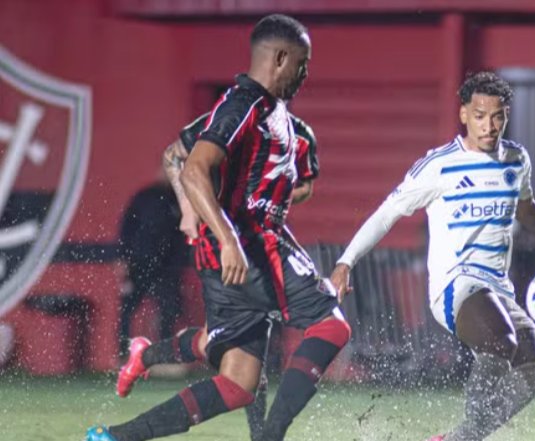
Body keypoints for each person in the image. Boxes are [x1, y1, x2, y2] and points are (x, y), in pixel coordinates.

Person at [86, 14, 350, 441]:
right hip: (244, 244)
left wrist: (270, 201)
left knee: (237, 383)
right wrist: (207, 222)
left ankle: (114, 436)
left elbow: (300, 187)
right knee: (331, 323)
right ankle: (269, 436)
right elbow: (184, 162)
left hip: (246, 244)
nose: (305, 75)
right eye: (302, 64)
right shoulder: (241, 104)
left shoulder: (284, 121)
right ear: (281, 58)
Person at [330, 72, 535, 441]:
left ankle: (460, 436)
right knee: (500, 343)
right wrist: (346, 261)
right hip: (455, 283)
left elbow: (527, 211)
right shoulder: (438, 165)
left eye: (497, 116)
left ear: (506, 116)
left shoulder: (516, 160)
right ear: (463, 114)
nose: (489, 126)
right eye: (479, 116)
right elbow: (387, 213)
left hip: (497, 289)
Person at [114, 110, 321, 441]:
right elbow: (174, 157)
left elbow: (306, 187)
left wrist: (274, 194)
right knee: (238, 345)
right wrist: (187, 209)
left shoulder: (299, 133)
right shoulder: (234, 117)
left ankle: (145, 355)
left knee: (231, 343)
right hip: (221, 243)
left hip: (262, 245)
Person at [117, 174, 189, 359]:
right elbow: (127, 227)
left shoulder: (178, 199)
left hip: (166, 266)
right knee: (128, 308)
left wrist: (178, 262)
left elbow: (181, 235)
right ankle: (123, 355)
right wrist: (124, 258)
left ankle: (164, 356)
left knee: (169, 308)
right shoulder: (145, 196)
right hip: (140, 261)